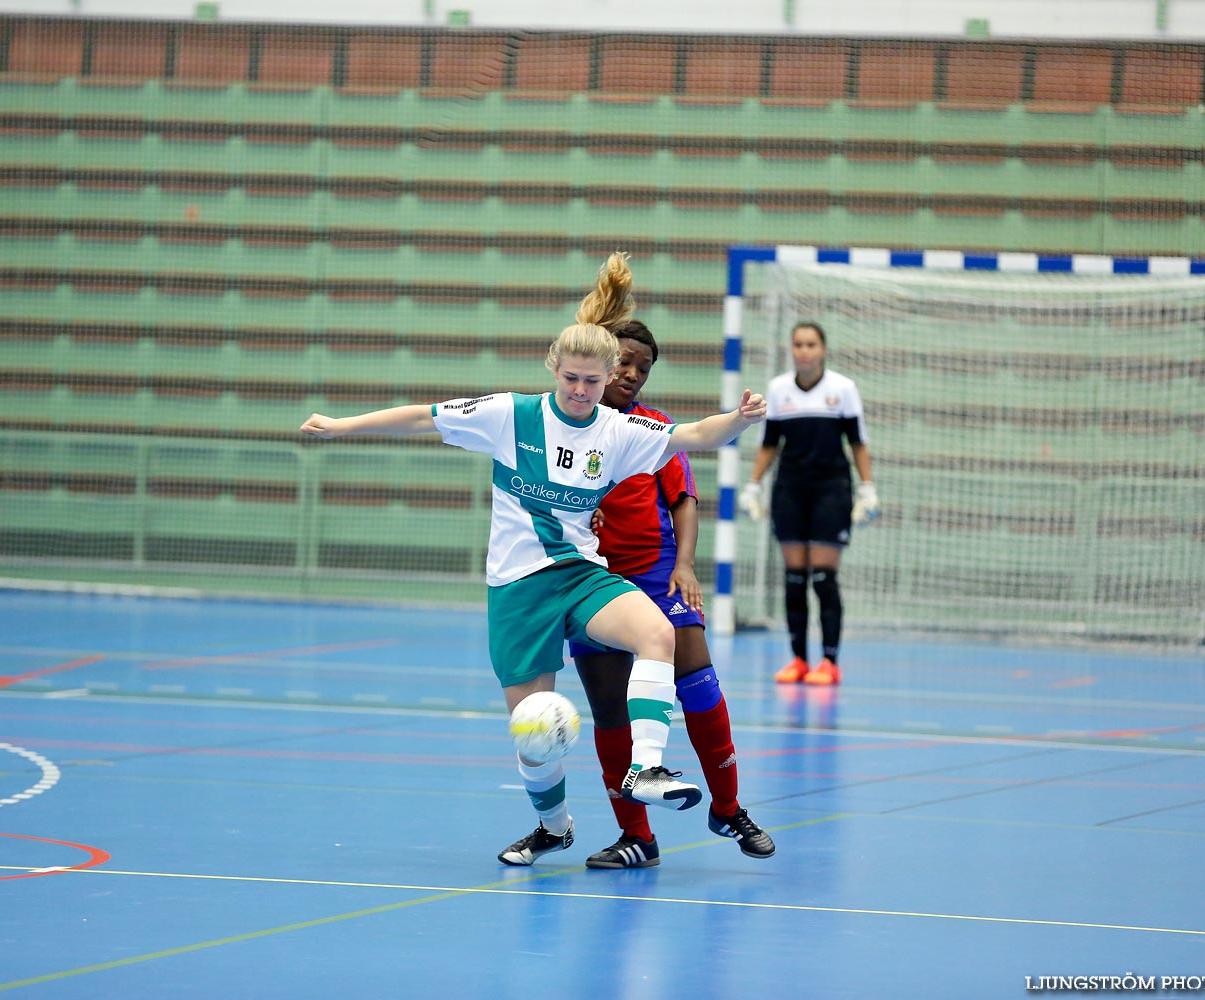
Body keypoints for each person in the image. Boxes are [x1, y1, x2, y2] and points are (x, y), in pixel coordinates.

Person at [300, 253, 767, 866]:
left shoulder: (619, 432)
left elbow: (697, 437)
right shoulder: (508, 415)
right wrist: (339, 426)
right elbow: (420, 417)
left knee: (658, 632)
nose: (580, 390)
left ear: (609, 381)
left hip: (579, 575)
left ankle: (647, 769)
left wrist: (739, 418)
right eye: (570, 378)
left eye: (592, 382)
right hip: (518, 588)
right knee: (534, 739)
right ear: (555, 369)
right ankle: (555, 826)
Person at [571, 319, 775, 869]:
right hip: (593, 581)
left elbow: (684, 499)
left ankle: (728, 808)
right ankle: (637, 837)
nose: (632, 374)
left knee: (700, 684)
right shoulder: (567, 428)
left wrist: (684, 564)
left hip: (659, 574)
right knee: (611, 710)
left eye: (643, 367)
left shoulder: (655, 428)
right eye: (624, 362)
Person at [740, 321, 877, 686]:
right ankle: (799, 659)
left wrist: (867, 489)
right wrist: (753, 485)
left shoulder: (843, 389)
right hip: (790, 491)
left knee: (823, 578)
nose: (804, 350)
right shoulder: (779, 390)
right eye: (798, 344)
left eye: (811, 344)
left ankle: (830, 661)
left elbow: (858, 444)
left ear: (823, 349)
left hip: (831, 491)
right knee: (794, 578)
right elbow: (770, 444)